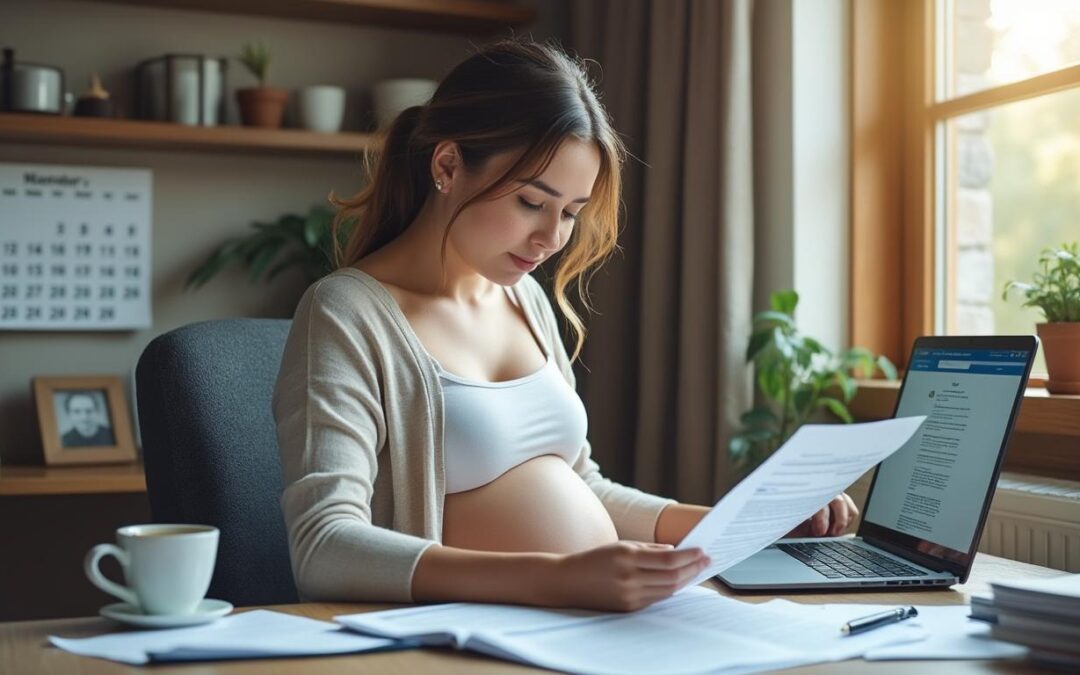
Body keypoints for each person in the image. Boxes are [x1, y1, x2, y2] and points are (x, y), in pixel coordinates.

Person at [273, 39, 858, 612]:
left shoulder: (524, 299)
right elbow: (324, 545)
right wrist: (554, 579)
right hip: (463, 645)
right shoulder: (347, 313)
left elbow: (583, 487)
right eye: (532, 202)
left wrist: (749, 520)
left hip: (582, 630)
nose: (552, 238)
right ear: (447, 164)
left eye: (572, 213)